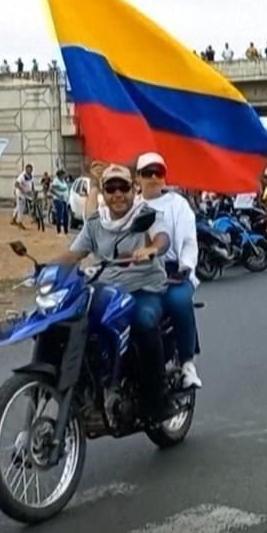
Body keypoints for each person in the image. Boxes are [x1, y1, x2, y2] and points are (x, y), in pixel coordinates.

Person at [57, 164, 172, 420]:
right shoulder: (96, 223)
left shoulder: (148, 216)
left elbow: (162, 239)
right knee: (73, 322)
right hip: (106, 290)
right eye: (111, 188)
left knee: (143, 321)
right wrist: (45, 270)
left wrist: (151, 249)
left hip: (143, 288)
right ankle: (90, 383)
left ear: (133, 189)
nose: (117, 194)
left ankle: (156, 400)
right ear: (104, 192)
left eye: (123, 187)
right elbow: (74, 254)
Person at [135, 153, 202, 389]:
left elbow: (189, 241)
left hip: (173, 273)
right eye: (147, 173)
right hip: (137, 275)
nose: (153, 177)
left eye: (158, 172)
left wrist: (185, 266)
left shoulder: (178, 205)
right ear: (138, 177)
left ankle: (187, 364)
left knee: (179, 302)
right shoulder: (131, 206)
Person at [12, 164, 35, 228]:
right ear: (26, 169)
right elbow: (16, 184)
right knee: (21, 208)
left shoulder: (31, 176)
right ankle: (20, 222)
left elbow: (31, 183)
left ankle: (13, 219)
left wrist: (32, 190)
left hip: (27, 193)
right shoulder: (22, 176)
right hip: (20, 193)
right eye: (28, 170)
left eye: (31, 170)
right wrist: (22, 189)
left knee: (18, 207)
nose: (29, 171)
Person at [49, 169, 70, 233]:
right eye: (63, 174)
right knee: (60, 214)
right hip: (58, 200)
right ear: (60, 175)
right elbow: (51, 189)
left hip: (64, 200)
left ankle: (66, 229)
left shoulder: (63, 181)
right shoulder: (56, 181)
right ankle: (59, 230)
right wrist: (58, 195)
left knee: (65, 215)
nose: (64, 176)